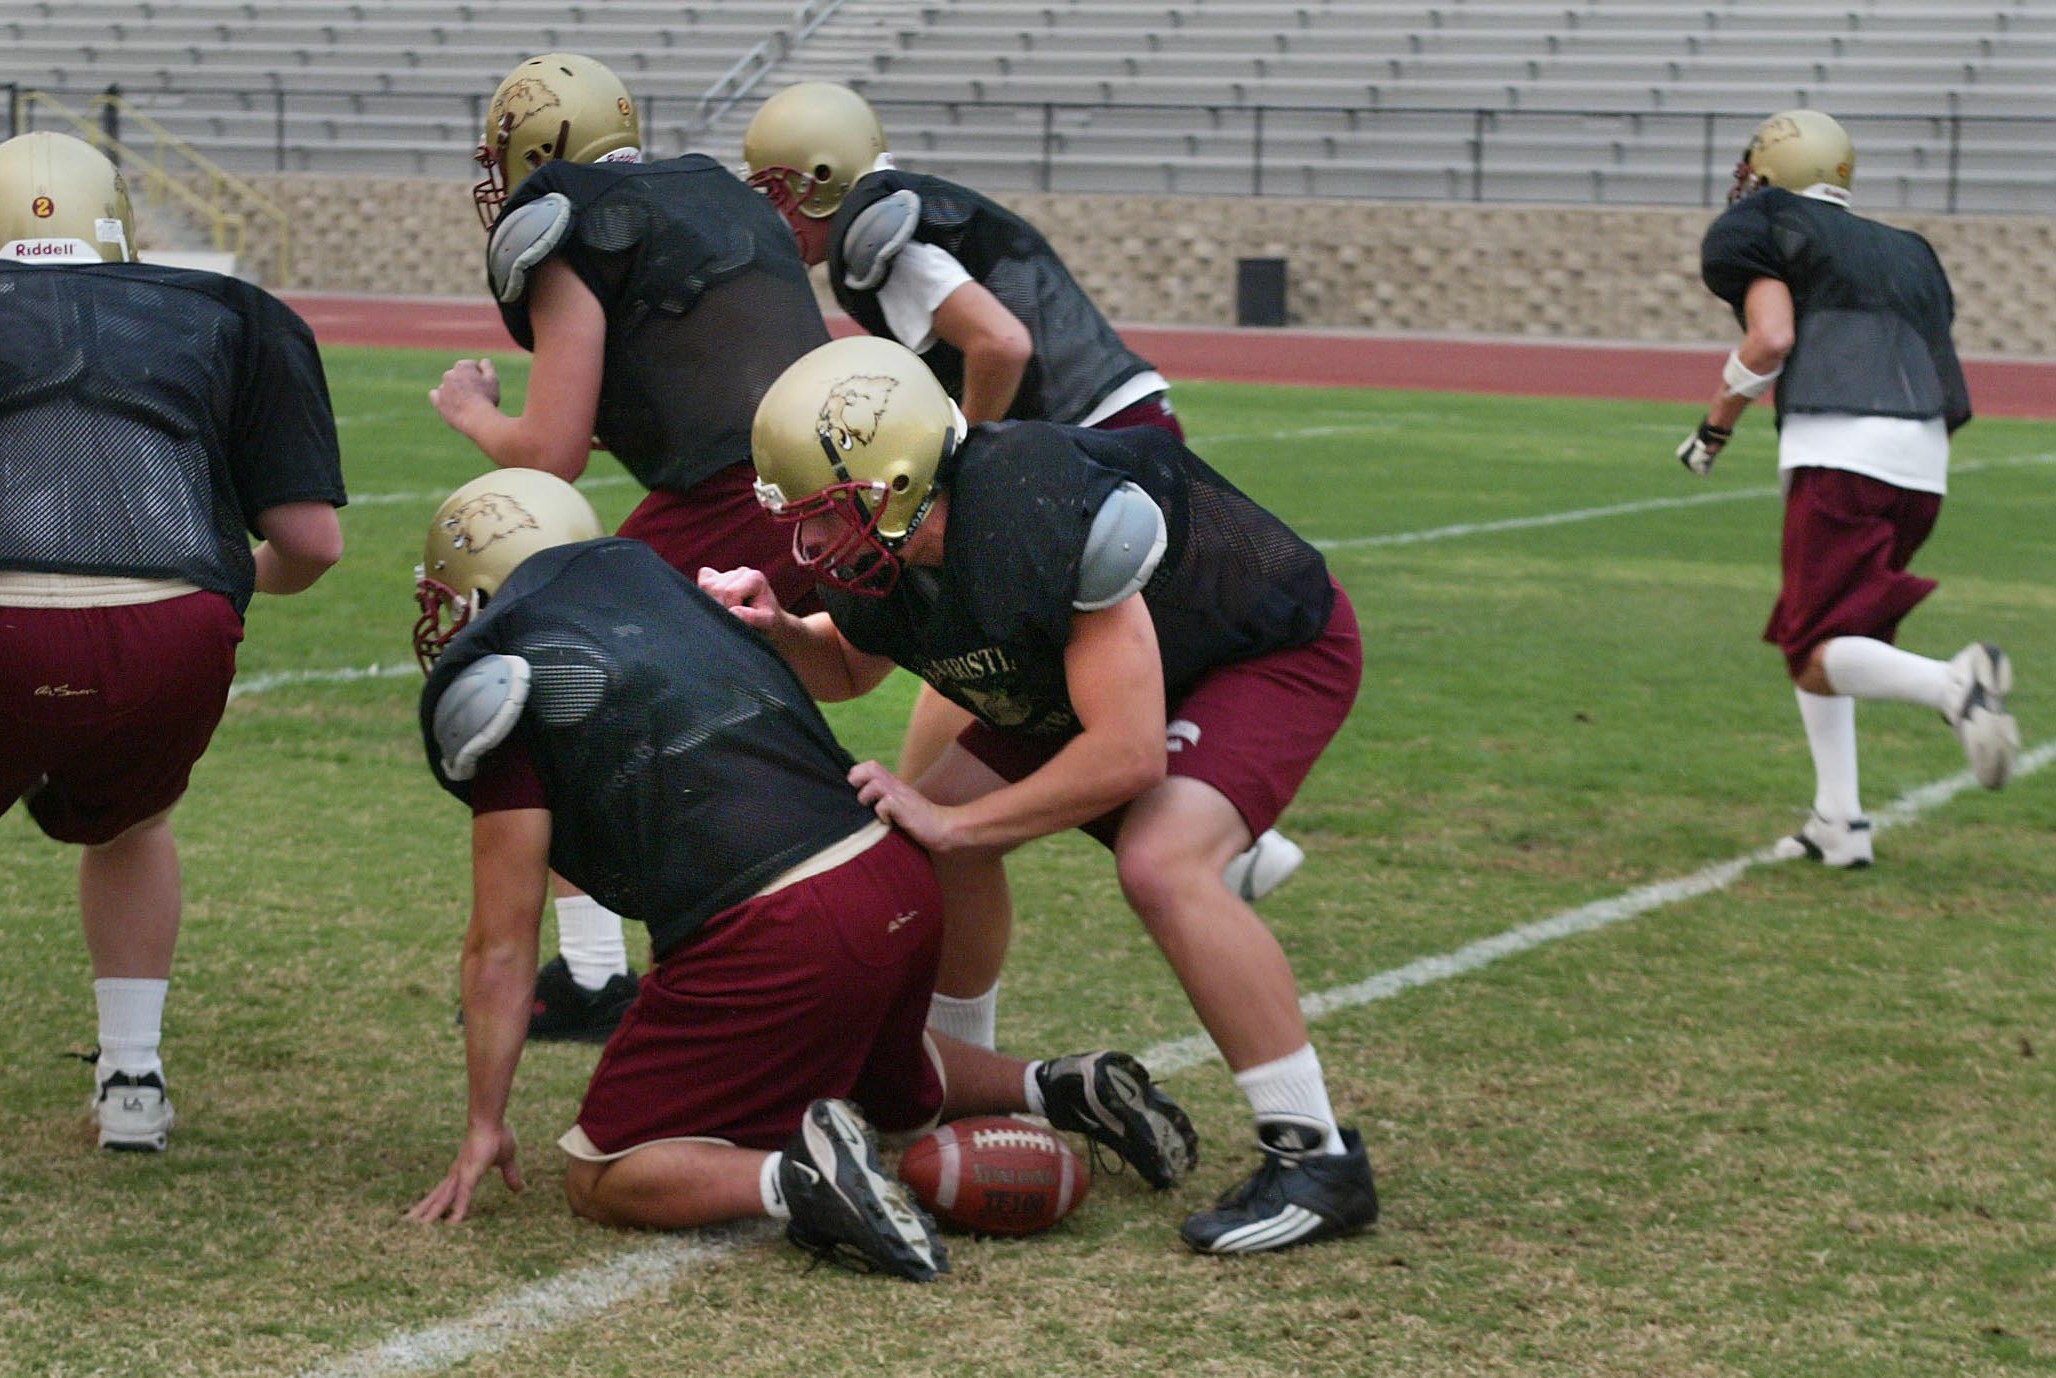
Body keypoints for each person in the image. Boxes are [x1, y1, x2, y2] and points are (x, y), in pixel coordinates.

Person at [406, 468, 1197, 1280]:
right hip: (891, 872)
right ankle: (1060, 1087)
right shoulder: (667, 594)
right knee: (888, 1092)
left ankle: (798, 1177)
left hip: (779, 920)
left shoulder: (512, 673)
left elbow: (501, 948)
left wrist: (484, 1123)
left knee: (603, 1176)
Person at [702, 336, 1378, 1255]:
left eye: (824, 511)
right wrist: (775, 628)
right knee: (924, 844)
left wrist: (956, 816)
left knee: (1159, 862)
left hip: (1252, 648)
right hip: (1075, 673)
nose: (807, 541)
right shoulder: (901, 540)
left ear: (895, 480)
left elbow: (1128, 753)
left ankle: (1317, 1157)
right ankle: (957, 1086)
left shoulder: (1038, 511)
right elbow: (853, 665)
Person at [741, 81, 1304, 1051]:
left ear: (821, 181)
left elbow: (998, 340)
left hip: (1076, 458)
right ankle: (1207, 833)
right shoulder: (900, 212)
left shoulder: (881, 242)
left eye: (779, 191)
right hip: (1079, 446)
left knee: (975, 720)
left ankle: (954, 1032)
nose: (771, 214)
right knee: (988, 719)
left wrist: (981, 462)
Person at [428, 53, 835, 1040]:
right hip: (830, 477)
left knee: (554, 673)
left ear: (536, 143)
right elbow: (705, 371)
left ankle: (615, 970)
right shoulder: (706, 190)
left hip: (733, 500)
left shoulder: (573, 223)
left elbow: (550, 456)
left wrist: (473, 412)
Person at [0, 131, 346, 1151]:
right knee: (133, 825)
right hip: (172, 622)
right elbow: (312, 543)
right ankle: (133, 1079)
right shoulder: (231, 313)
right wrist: (226, 594)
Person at [1678, 109, 2019, 867]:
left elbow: (1770, 339)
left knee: (1814, 646)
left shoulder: (1765, 221)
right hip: (1922, 459)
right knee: (1819, 630)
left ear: (1775, 167)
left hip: (1842, 446)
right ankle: (1840, 820)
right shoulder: (1907, 249)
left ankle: (1951, 686)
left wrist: (1714, 426)